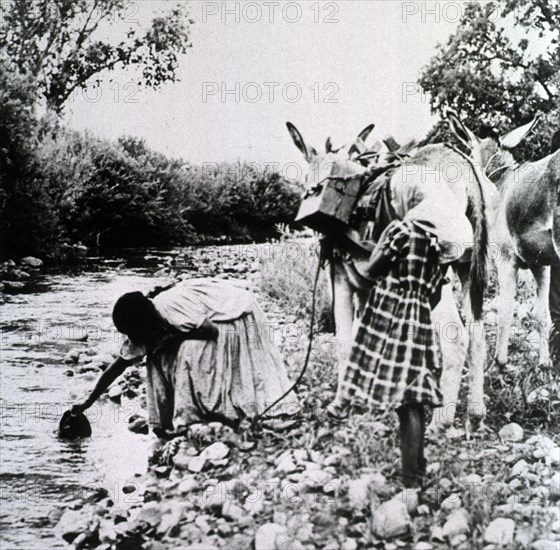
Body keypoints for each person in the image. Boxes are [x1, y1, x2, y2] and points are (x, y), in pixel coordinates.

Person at [73, 278, 299, 438]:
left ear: (144, 323)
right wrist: (87, 402)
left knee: (189, 352)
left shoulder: (169, 310)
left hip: (230, 313)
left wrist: (172, 337)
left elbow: (210, 331)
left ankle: (206, 413)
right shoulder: (143, 327)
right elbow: (117, 366)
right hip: (206, 319)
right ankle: (166, 421)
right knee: (157, 359)